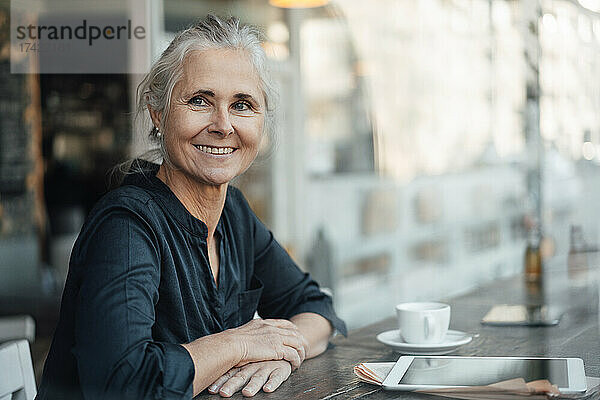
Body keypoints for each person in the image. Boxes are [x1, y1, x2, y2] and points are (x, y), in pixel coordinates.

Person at [36, 15, 346, 400]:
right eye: (199, 100)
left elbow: (316, 307)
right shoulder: (127, 227)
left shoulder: (233, 212)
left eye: (242, 104)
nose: (223, 124)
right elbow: (123, 384)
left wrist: (282, 353)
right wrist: (240, 344)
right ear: (158, 114)